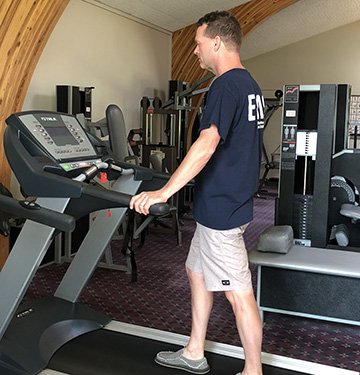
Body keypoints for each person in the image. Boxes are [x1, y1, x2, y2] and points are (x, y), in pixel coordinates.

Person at [130, 10, 264, 375]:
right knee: (196, 272)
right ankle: (194, 351)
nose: (194, 51)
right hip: (221, 205)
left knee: (239, 294)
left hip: (222, 211)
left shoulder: (224, 85)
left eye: (198, 43)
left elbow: (207, 143)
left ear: (217, 43)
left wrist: (164, 192)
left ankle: (253, 371)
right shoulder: (249, 84)